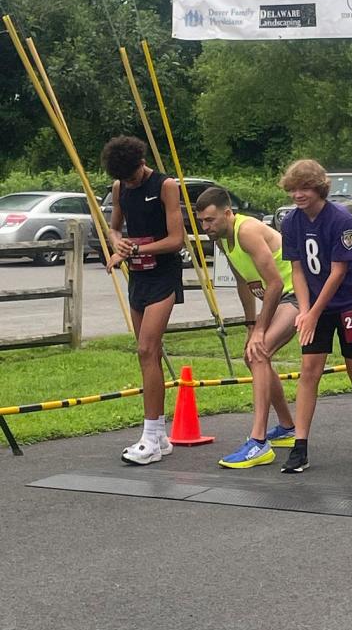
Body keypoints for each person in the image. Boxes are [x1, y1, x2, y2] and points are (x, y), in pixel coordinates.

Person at [279, 159, 352, 474]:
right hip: (316, 302)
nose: (299, 194)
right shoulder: (291, 222)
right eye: (294, 189)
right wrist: (305, 311)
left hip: (349, 301)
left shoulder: (341, 218)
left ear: (319, 188)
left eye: (305, 188)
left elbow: (338, 272)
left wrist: (314, 312)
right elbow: (297, 269)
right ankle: (300, 444)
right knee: (309, 369)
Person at [194, 186, 297, 467]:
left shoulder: (247, 231)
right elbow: (244, 282)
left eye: (211, 220)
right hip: (275, 297)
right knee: (254, 356)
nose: (206, 227)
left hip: (296, 293)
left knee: (259, 352)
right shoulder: (221, 239)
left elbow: (275, 283)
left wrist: (261, 331)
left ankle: (259, 442)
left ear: (228, 213)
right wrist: (251, 325)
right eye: (202, 221)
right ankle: (288, 428)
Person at [103, 136, 184, 466]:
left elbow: (176, 239)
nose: (129, 183)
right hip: (138, 275)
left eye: (133, 177)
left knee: (147, 349)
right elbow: (114, 228)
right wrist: (118, 246)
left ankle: (149, 437)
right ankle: (160, 436)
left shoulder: (166, 186)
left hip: (163, 274)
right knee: (146, 355)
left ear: (142, 164)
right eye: (124, 179)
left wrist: (137, 248)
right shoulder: (120, 187)